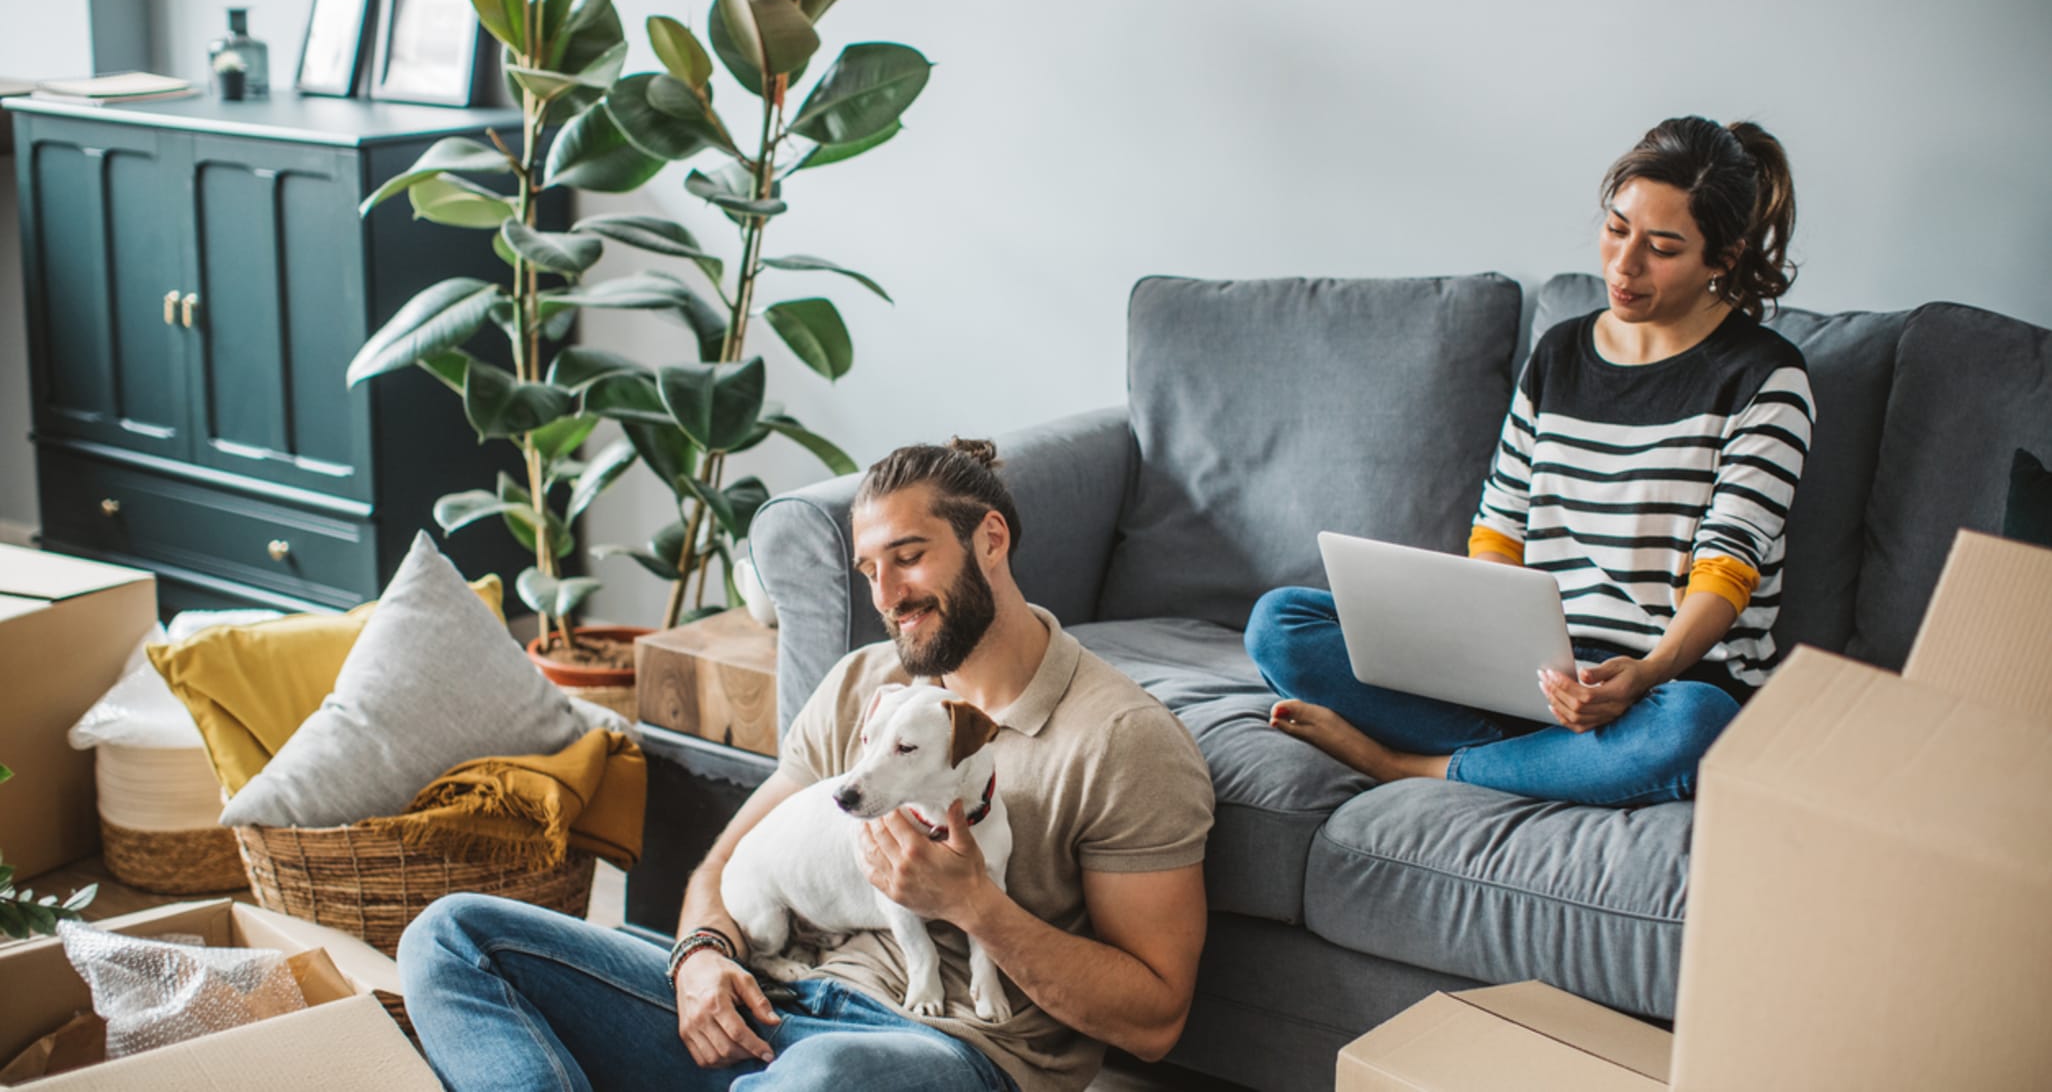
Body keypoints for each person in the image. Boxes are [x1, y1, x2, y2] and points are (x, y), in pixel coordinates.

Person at [397, 439, 1215, 1092]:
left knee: (820, 1076)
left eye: (910, 556)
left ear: (990, 539)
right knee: (450, 935)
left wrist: (975, 905)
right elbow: (725, 866)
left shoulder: (1120, 740)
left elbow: (1154, 1019)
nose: (888, 595)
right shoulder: (866, 687)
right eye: (871, 570)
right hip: (772, 1001)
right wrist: (702, 959)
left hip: (937, 1047)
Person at [1243, 116, 1815, 807]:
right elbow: (1500, 527)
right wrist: (1492, 656)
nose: (1623, 265)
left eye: (1662, 248)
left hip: (1659, 691)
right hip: (1531, 682)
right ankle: (1535, 759)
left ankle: (1412, 766)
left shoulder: (1766, 378)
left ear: (1722, 259)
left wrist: (1646, 671)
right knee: (1282, 624)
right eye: (1616, 228)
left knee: (1698, 729)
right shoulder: (1560, 355)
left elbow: (1728, 565)